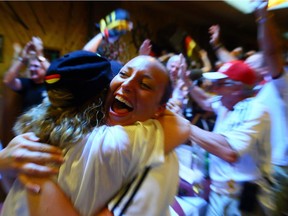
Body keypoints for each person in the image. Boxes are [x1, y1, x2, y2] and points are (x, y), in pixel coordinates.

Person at [0, 51, 191, 216]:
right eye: (123, 74)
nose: (127, 84)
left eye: (145, 85)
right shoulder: (83, 138)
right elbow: (18, 196)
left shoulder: (154, 157)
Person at [183, 60, 271, 215]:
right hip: (220, 192)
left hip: (241, 197)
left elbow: (229, 152)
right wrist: (186, 81)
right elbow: (205, 101)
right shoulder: (226, 104)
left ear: (237, 87)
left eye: (220, 84)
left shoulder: (254, 109)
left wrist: (183, 126)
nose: (214, 89)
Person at [3, 36, 50, 112]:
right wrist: (23, 58)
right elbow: (7, 81)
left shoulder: (51, 84)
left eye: (36, 66)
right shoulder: (27, 83)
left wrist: (40, 55)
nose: (31, 69)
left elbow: (54, 73)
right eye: (31, 66)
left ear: (44, 69)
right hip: (27, 122)